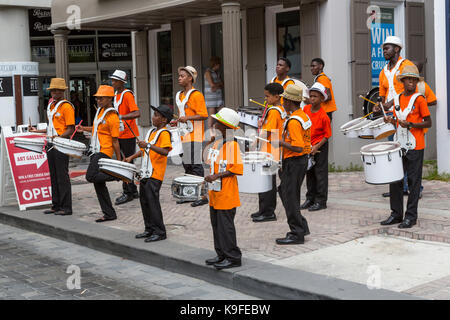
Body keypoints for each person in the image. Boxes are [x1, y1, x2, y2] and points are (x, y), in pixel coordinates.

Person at [375, 65, 432, 229]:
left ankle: (411, 217)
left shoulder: (420, 99)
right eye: (408, 79)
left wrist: (412, 124)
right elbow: (397, 121)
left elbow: (428, 122)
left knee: (414, 182)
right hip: (399, 144)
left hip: (416, 145)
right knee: (395, 179)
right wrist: (390, 121)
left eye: (414, 80)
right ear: (403, 81)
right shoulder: (398, 98)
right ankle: (396, 214)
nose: (411, 82)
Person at [125, 105, 173, 243]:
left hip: (155, 174)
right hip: (145, 173)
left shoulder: (164, 133)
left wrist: (148, 145)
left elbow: (165, 151)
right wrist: (132, 157)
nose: (153, 117)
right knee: (144, 202)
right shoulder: (152, 132)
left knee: (153, 203)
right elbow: (145, 150)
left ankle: (160, 231)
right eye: (154, 114)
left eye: (156, 115)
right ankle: (149, 229)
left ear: (164, 120)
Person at [204, 108, 243, 270]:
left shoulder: (233, 145)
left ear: (225, 126)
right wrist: (209, 143)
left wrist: (217, 175)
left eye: (218, 122)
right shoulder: (218, 142)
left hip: (226, 193)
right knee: (216, 225)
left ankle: (233, 257)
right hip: (215, 193)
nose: (214, 124)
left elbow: (236, 169)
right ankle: (221, 254)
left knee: (226, 227)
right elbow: (206, 160)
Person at [29, 78, 75, 216]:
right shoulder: (51, 106)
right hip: (50, 143)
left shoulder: (67, 106)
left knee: (62, 176)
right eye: (52, 90)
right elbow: (51, 128)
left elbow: (70, 128)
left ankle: (66, 207)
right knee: (54, 176)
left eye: (57, 90)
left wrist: (59, 138)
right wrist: (36, 130)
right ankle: (56, 205)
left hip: (61, 145)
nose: (54, 93)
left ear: (62, 91)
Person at [274, 84, 311, 245]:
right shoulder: (302, 116)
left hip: (295, 161)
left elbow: (298, 146)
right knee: (286, 191)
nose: (282, 101)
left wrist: (281, 142)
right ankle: (301, 225)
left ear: (289, 101)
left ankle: (296, 233)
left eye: (284, 99)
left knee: (290, 196)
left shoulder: (294, 121)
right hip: (298, 161)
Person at [79, 85, 122, 223]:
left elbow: (115, 141)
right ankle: (109, 213)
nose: (98, 100)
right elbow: (96, 129)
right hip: (95, 150)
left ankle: (116, 175)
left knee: (90, 176)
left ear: (110, 98)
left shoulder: (113, 116)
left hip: (104, 151)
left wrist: (119, 162)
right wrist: (83, 128)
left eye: (101, 98)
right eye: (97, 98)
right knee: (99, 184)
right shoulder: (99, 112)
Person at [172, 66, 209, 207]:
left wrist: (187, 117)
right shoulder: (179, 95)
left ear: (190, 78)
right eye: (179, 76)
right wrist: (178, 121)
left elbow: (204, 115)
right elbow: (182, 114)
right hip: (183, 135)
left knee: (196, 166)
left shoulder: (196, 95)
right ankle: (190, 193)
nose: (179, 78)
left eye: (182, 76)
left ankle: (203, 195)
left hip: (195, 136)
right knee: (187, 165)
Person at [250, 83, 287, 223]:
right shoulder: (280, 109)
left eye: (267, 96)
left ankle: (268, 212)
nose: (266, 99)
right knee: (266, 181)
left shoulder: (273, 111)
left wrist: (254, 144)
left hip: (268, 152)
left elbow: (267, 132)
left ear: (276, 96)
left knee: (265, 183)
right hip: (274, 151)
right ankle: (263, 209)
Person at [109, 70, 141, 206]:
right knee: (125, 162)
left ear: (122, 82)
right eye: (112, 80)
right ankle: (132, 190)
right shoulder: (116, 95)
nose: (113, 83)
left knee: (125, 163)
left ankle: (128, 192)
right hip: (120, 132)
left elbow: (137, 112)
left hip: (128, 134)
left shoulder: (127, 95)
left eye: (115, 81)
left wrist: (121, 117)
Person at [301, 83, 332, 212]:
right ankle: (310, 198)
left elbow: (327, 135)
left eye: (315, 96)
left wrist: (316, 147)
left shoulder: (324, 116)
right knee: (310, 172)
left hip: (320, 146)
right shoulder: (306, 109)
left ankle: (321, 201)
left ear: (321, 99)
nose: (312, 98)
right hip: (308, 145)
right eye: (311, 96)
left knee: (320, 173)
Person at [204, 57, 224, 132]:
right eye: (218, 64)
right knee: (211, 115)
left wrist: (217, 85)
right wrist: (218, 85)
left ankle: (220, 130)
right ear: (215, 64)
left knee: (222, 114)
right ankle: (210, 132)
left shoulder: (217, 73)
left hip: (218, 96)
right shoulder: (208, 72)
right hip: (211, 97)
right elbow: (212, 85)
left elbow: (222, 83)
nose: (219, 66)